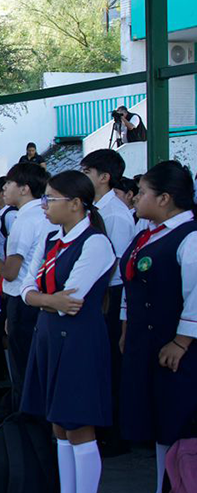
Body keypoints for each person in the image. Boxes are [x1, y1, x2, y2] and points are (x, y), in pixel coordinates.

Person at [19, 170, 116, 493]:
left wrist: (42, 300)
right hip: (49, 338)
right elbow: (26, 288)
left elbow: (70, 302)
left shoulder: (96, 243)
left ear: (76, 204)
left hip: (78, 341)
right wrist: (45, 300)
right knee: (59, 426)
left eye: (51, 199)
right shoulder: (52, 239)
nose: (44, 205)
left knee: (79, 426)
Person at [118, 161, 197, 493]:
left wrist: (180, 342)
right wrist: (126, 328)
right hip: (145, 340)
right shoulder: (147, 234)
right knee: (158, 419)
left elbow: (195, 295)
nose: (136, 198)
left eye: (143, 192)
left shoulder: (189, 236)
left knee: (177, 420)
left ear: (165, 198)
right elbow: (131, 282)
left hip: (176, 348)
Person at [82, 148, 136, 455]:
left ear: (104, 177)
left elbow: (114, 263)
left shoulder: (114, 213)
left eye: (87, 173)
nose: (83, 178)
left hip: (111, 294)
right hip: (98, 292)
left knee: (110, 363)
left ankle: (114, 434)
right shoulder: (95, 208)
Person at [0, 162, 49, 397]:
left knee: (22, 371)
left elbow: (10, 271)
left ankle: (25, 416)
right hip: (38, 298)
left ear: (24, 188)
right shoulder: (43, 215)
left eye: (9, 183)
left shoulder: (26, 219)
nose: (4, 188)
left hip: (22, 299)